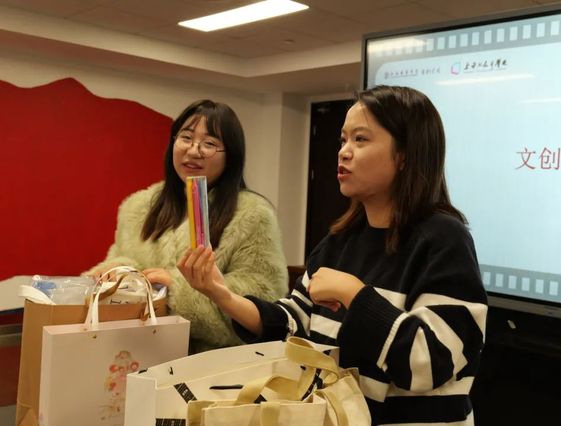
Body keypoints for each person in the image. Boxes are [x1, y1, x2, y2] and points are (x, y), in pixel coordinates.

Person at [178, 86, 488, 425]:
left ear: (404, 155)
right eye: (343, 140)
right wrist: (220, 293)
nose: (344, 152)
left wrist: (354, 295)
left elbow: (431, 362)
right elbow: (293, 323)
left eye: (361, 139)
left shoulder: (444, 239)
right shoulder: (339, 241)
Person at [86, 99, 289, 353]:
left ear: (231, 156)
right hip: (138, 352)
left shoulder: (252, 214)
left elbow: (263, 301)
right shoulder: (139, 206)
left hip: (209, 362)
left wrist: (177, 288)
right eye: (186, 138)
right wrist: (117, 273)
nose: (194, 151)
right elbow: (120, 258)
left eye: (210, 144)